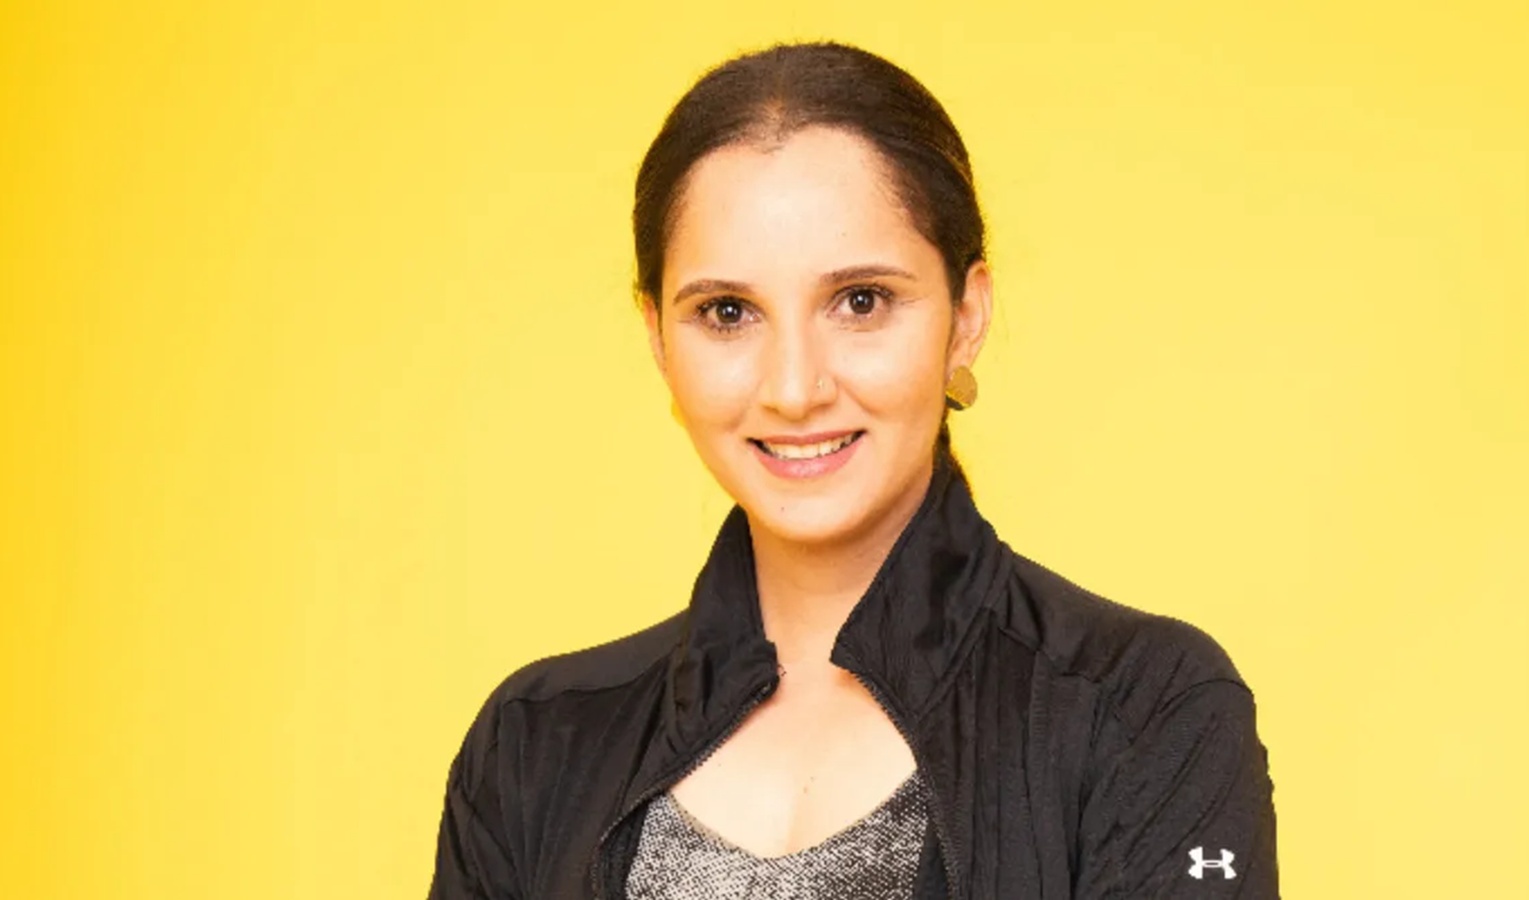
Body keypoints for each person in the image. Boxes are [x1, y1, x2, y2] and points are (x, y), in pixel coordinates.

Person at [428, 41, 1278, 899]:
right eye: (727, 312)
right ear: (658, 340)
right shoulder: (532, 745)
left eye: (861, 301)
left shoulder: (1147, 711)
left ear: (966, 317)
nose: (794, 390)